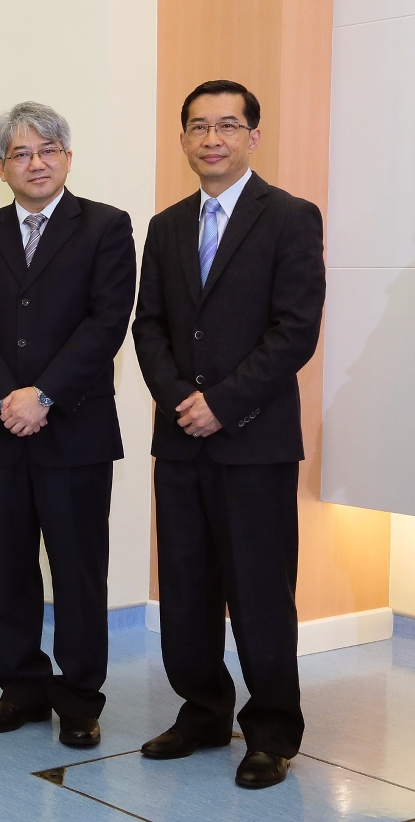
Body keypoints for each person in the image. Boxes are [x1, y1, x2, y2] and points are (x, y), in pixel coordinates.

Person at [131, 80, 326, 789]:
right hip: (181, 439)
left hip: (254, 442)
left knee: (260, 592)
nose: (211, 138)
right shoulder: (167, 225)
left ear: (253, 136)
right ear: (182, 138)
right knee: (185, 586)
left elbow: (294, 331)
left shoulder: (291, 218)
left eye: (227, 126)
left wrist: (224, 403)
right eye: (198, 127)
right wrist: (184, 399)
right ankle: (204, 711)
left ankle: (272, 730)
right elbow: (147, 325)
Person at [0, 102, 136, 749]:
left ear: (68, 157)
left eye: (49, 149)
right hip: (0, 433)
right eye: (22, 154)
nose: (37, 163)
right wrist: (7, 396)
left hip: (75, 430)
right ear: (1, 167)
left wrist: (44, 395)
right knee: (10, 567)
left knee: (78, 569)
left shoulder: (107, 228)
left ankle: (80, 697)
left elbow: (105, 324)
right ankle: (21, 688)